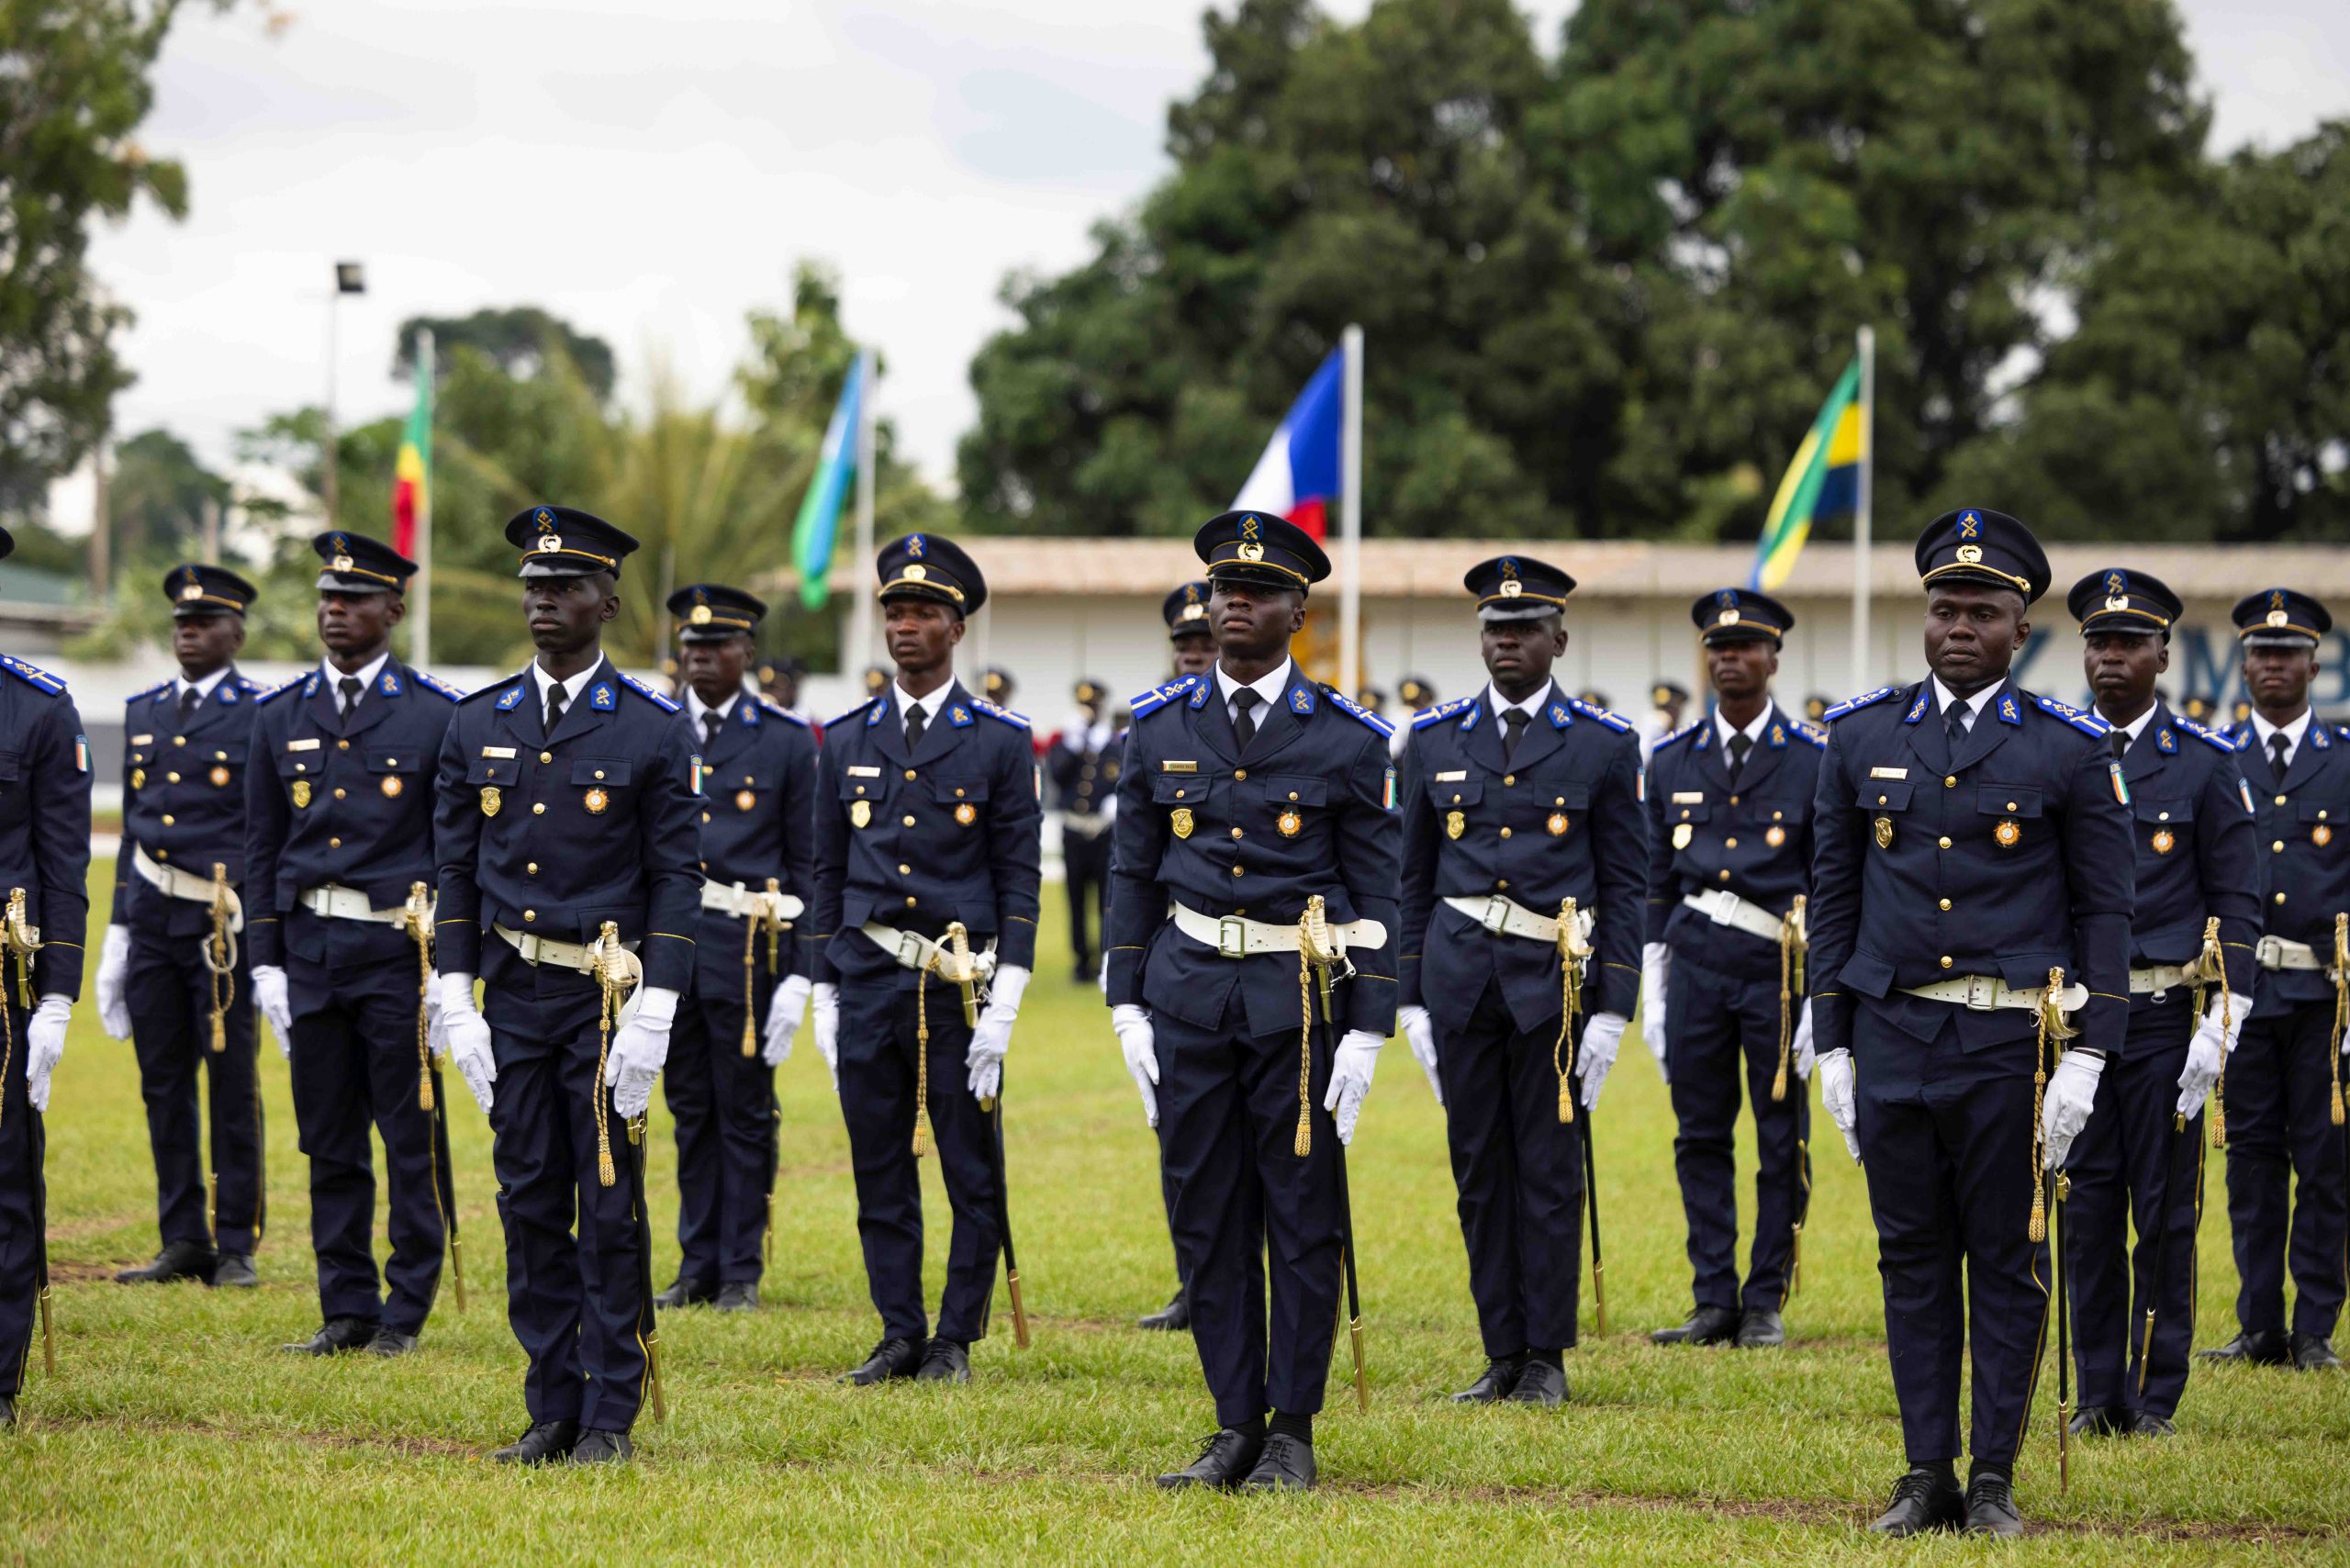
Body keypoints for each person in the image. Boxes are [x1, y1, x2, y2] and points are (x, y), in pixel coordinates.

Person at [1808, 508, 2132, 1536]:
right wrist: (1831, 1042)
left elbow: (2104, 910)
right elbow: (1833, 894)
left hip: (2008, 1049)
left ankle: (1991, 1474)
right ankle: (1924, 1471)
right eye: (1943, 608)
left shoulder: (2068, 749)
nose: (1958, 628)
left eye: (1981, 613)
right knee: (1908, 1259)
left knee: (2002, 1259)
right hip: (1894, 1037)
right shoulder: (1858, 735)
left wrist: (2089, 1055)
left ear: (2018, 629)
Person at [1106, 510, 1400, 1492]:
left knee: (1300, 1215)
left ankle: (1291, 1427)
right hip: (1188, 994)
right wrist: (1124, 1001)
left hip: (1298, 1006)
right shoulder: (1157, 726)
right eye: (1223, 590)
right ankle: (1231, 1422)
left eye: (1258, 591)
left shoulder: (1349, 740)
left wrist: (1367, 1029)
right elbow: (1132, 872)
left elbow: (1377, 894)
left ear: (1295, 611)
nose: (1235, 604)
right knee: (1204, 1212)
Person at [431, 506, 702, 1466]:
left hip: (605, 999)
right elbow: (455, 869)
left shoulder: (652, 728)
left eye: (565, 588)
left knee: (609, 1200)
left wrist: (658, 1004)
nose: (544, 602)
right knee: (529, 1197)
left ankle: (610, 1411)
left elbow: (678, 874)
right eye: (533, 588)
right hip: (511, 994)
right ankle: (549, 1401)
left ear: (607, 602)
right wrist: (453, 993)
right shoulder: (478, 720)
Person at [1394, 555, 1639, 1406]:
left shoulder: (1605, 747)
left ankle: (1545, 1355)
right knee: (1478, 1170)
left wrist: (1612, 1010)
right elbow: (1412, 878)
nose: (1507, 643)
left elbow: (1624, 883)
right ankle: (1499, 1349)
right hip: (1459, 981)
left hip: (1554, 990)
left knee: (1546, 1170)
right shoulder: (1431, 740)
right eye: (1495, 630)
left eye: (1525, 629)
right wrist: (1407, 999)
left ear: (1558, 640)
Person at [809, 534, 1042, 1387]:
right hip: (868, 976)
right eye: (894, 613)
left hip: (957, 985)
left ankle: (955, 1336)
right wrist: (824, 985)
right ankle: (898, 1330)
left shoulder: (999, 742)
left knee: (968, 1162)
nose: (905, 628)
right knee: (878, 1163)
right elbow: (824, 871)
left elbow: (1019, 875)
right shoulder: (842, 739)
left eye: (924, 614)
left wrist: (1010, 987)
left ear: (957, 628)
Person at [246, 532, 463, 1358]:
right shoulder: (279, 713)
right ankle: (346, 1306)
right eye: (326, 599)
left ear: (393, 611)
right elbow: (261, 843)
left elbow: (452, 853)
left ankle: (406, 1308)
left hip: (396, 955)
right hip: (310, 953)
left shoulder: (436, 714)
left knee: (409, 1136)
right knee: (326, 1135)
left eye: (354, 599)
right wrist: (265, 959)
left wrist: (449, 970)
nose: (335, 611)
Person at [2062, 569, 2258, 1431]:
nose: (2111, 657)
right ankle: (2097, 1391)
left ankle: (2155, 1392)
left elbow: (2238, 898)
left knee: (2165, 1214)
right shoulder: (2055, 753)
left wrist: (2225, 1019)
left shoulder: (2207, 767)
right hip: (2074, 1024)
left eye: (2129, 642)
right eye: (2099, 642)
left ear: (2163, 655)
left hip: (2166, 1018)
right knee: (2087, 1210)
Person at [1641, 588, 1822, 1350]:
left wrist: (1826, 997)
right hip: (1697, 967)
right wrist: (1654, 981)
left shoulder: (1814, 758)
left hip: (1777, 971)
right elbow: (1656, 877)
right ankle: (1712, 1297)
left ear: (1774, 657)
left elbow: (1833, 880)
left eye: (1746, 647)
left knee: (1780, 1136)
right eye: (1717, 648)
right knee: (1700, 1135)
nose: (1729, 660)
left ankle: (1764, 1297)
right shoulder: (1672, 758)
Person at [99, 564, 268, 1289]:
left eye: (204, 623)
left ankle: (235, 1244)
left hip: (220, 926)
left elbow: (267, 832)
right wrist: (115, 932)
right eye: (180, 623)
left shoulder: (260, 713)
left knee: (231, 1082)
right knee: (161, 1082)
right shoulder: (144, 710)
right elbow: (136, 835)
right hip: (151, 918)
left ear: (236, 632)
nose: (188, 632)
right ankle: (182, 1237)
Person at [655, 584, 818, 1314]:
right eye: (690, 646)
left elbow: (811, 863)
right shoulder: (657, 728)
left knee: (744, 1109)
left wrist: (803, 974)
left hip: (750, 952)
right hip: (673, 946)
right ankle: (696, 1264)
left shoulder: (783, 739)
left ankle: (741, 1268)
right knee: (689, 1109)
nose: (700, 658)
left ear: (747, 653)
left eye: (716, 646)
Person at [2209, 588, 2349, 1372]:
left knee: (2326, 1163)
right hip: (2245, 998)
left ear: (2312, 663)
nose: (2273, 665)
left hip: (2328, 1002)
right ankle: (2259, 1325)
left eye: (2288, 652)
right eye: (2261, 652)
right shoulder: (2215, 759)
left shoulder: (2345, 760)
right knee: (2252, 1164)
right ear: (2245, 662)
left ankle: (2316, 1330)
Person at [0, 524, 91, 1430]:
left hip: (2, 983)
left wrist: (59, 992)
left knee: (4, 1180)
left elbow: (65, 865)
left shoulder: (37, 708)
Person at [1138, 581, 1219, 1333]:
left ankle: (1231, 1281)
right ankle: (1193, 1279)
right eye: (1185, 650)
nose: (1194, 660)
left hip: (1245, 955)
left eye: (1205, 649)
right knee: (1182, 1141)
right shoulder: (1157, 728)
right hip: (1178, 960)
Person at [1046, 678, 1116, 984]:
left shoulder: (1114, 744)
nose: (1088, 712)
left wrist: (1117, 800)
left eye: (1092, 706)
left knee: (1106, 900)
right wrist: (1073, 744)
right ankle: (1080, 960)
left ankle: (1104, 958)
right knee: (1075, 899)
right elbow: (1057, 777)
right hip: (1074, 831)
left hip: (1103, 833)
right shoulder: (1067, 744)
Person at [1637, 680, 1691, 765]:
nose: (1666, 715)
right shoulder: (1651, 729)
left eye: (1671, 709)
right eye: (1661, 709)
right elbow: (1643, 761)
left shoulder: (1685, 738)